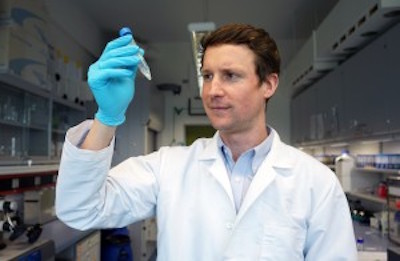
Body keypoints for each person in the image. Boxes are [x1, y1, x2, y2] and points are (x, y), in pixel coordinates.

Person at [56, 24, 357, 260]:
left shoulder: (316, 182)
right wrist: (108, 117)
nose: (213, 90)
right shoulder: (168, 167)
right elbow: (80, 209)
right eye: (208, 75)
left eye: (230, 76)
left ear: (268, 84)